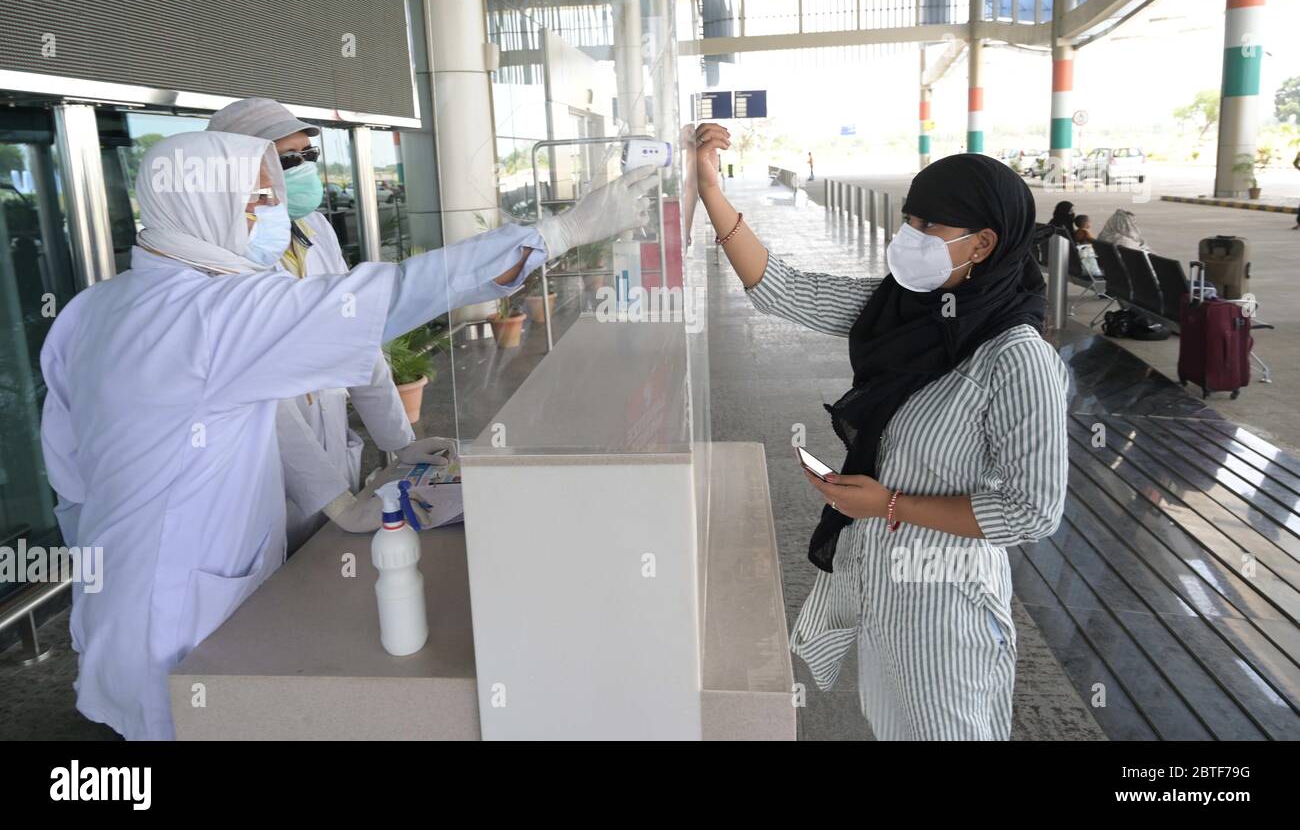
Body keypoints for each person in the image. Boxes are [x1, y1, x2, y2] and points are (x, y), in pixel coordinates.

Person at [41, 131, 653, 740]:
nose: (272, 214)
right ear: (202, 205)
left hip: (117, 604)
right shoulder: (214, 314)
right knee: (189, 723)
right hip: (181, 623)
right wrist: (559, 233)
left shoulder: (91, 310)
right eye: (256, 201)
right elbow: (391, 296)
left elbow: (68, 479)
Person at [692, 123, 1068, 740]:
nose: (908, 237)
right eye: (908, 218)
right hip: (884, 591)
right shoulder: (898, 308)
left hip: (947, 609)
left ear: (982, 245)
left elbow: (1032, 511)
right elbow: (782, 288)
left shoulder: (1017, 359)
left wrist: (889, 503)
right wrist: (711, 190)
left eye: (929, 227)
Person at [206, 98, 449, 551]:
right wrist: (337, 504)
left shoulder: (316, 228)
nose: (302, 170)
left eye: (308, 157)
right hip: (262, 477)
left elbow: (354, 339)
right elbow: (263, 395)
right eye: (286, 160)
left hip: (329, 444)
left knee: (333, 569)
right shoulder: (217, 257)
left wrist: (400, 443)